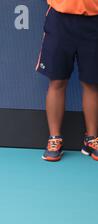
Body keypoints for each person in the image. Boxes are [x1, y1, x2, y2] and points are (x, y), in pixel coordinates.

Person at [36, 0, 98, 161]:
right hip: (59, 20)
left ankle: (91, 139)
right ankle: (54, 138)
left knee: (92, 82)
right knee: (57, 81)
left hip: (94, 20)